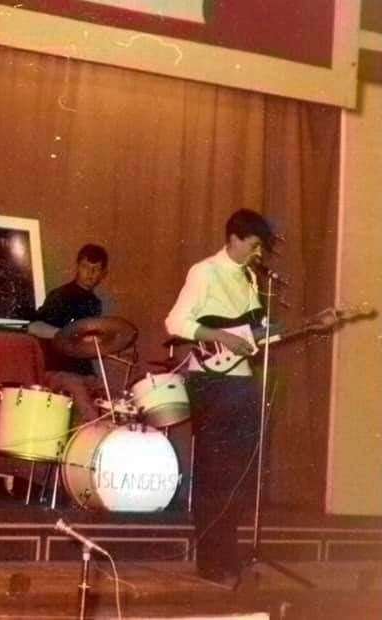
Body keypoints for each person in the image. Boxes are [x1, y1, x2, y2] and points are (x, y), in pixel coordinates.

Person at [164, 209, 273, 587]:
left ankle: (228, 553)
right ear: (234, 238)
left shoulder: (248, 279)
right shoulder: (204, 271)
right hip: (210, 381)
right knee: (213, 473)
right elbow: (175, 322)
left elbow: (254, 334)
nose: (257, 254)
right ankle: (209, 559)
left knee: (237, 473)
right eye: (254, 245)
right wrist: (224, 337)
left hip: (241, 382)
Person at [27, 243, 110, 421]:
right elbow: (33, 326)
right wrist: (66, 334)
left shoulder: (95, 303)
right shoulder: (60, 296)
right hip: (59, 371)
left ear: (103, 274)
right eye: (85, 267)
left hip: (85, 373)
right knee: (88, 409)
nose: (90, 273)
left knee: (112, 401)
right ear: (77, 267)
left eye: (96, 269)